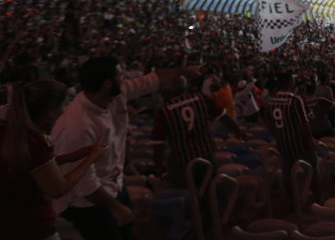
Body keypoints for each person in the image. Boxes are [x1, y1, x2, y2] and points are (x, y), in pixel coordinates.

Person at [52, 57, 199, 240]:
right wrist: (116, 207)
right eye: (120, 75)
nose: (124, 79)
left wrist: (182, 71)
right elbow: (84, 184)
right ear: (107, 84)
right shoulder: (77, 126)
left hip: (113, 185)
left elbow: (151, 81)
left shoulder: (115, 94)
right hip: (86, 202)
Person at [1, 80, 106, 240]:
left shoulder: (8, 131)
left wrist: (71, 157)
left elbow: (27, 166)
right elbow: (57, 189)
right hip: (31, 227)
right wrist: (91, 158)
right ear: (50, 112)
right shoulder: (33, 140)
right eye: (64, 105)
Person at [263, 74, 320, 202]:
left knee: (287, 175)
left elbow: (268, 123)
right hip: (300, 145)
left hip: (283, 145)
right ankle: (318, 199)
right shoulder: (294, 101)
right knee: (311, 172)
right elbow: (304, 124)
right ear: (289, 83)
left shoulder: (270, 101)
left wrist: (277, 136)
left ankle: (292, 202)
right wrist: (310, 140)